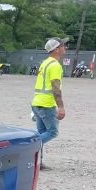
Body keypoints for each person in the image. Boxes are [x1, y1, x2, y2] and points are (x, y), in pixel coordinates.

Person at [31, 37, 68, 169]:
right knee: (52, 132)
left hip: (37, 102)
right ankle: (28, 148)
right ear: (56, 49)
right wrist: (61, 107)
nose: (66, 47)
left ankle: (37, 164)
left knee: (41, 133)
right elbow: (55, 87)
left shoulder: (45, 63)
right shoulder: (55, 65)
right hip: (46, 104)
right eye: (64, 45)